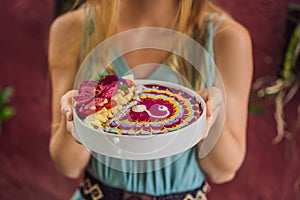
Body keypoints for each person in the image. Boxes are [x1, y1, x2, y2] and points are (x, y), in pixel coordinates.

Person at [48, 0, 253, 199]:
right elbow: (68, 165)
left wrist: (212, 116)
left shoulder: (226, 38)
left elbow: (222, 171)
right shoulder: (71, 28)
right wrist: (81, 116)